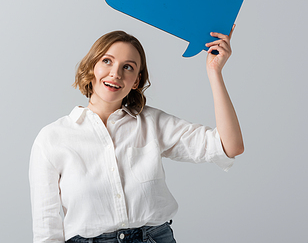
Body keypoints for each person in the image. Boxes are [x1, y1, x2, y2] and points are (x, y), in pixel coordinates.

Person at [29, 28, 244, 243]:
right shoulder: (52, 138)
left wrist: (215, 72)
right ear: (91, 66)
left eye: (128, 67)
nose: (116, 73)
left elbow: (229, 146)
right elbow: (46, 227)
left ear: (136, 81)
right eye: (107, 61)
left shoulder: (152, 123)